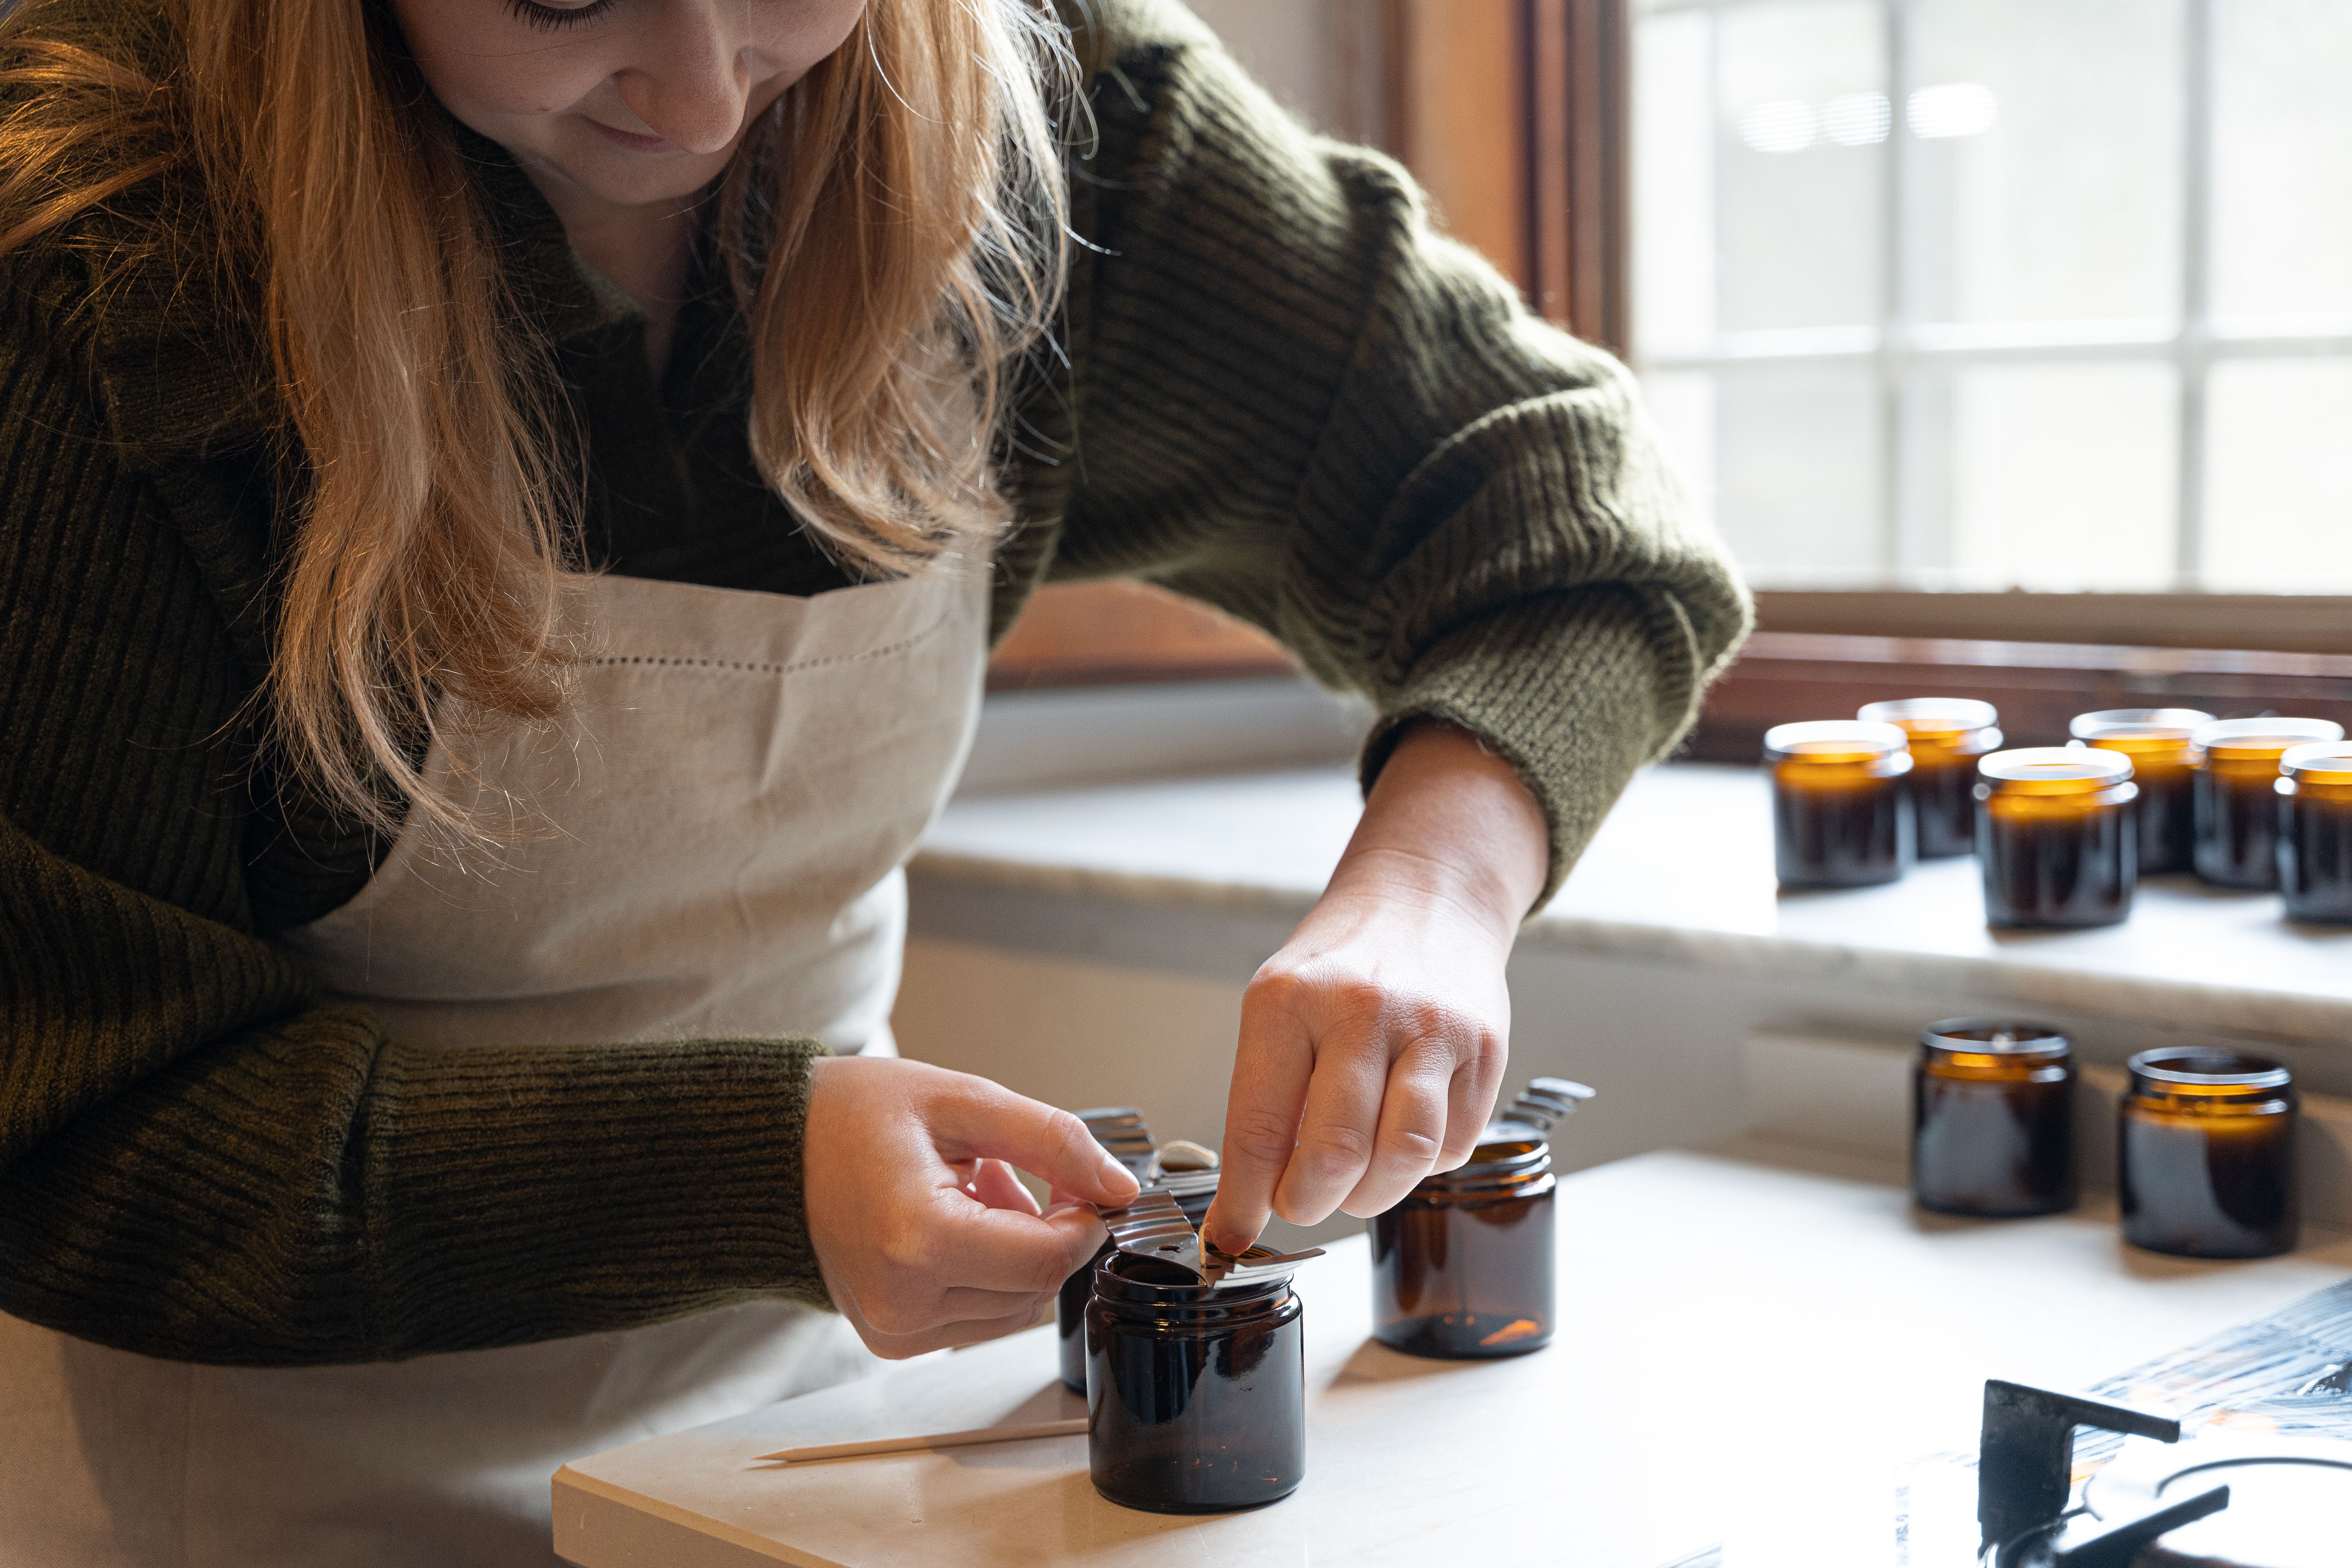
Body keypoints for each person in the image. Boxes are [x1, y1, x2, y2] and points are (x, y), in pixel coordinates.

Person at [0, 0, 1748, 1560]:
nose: (698, 101)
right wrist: (758, 1171)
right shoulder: (83, 243)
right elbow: (68, 1128)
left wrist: (1430, 895)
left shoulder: (1066, 127)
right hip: (235, 1483)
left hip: (789, 1453)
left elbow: (1563, 515)